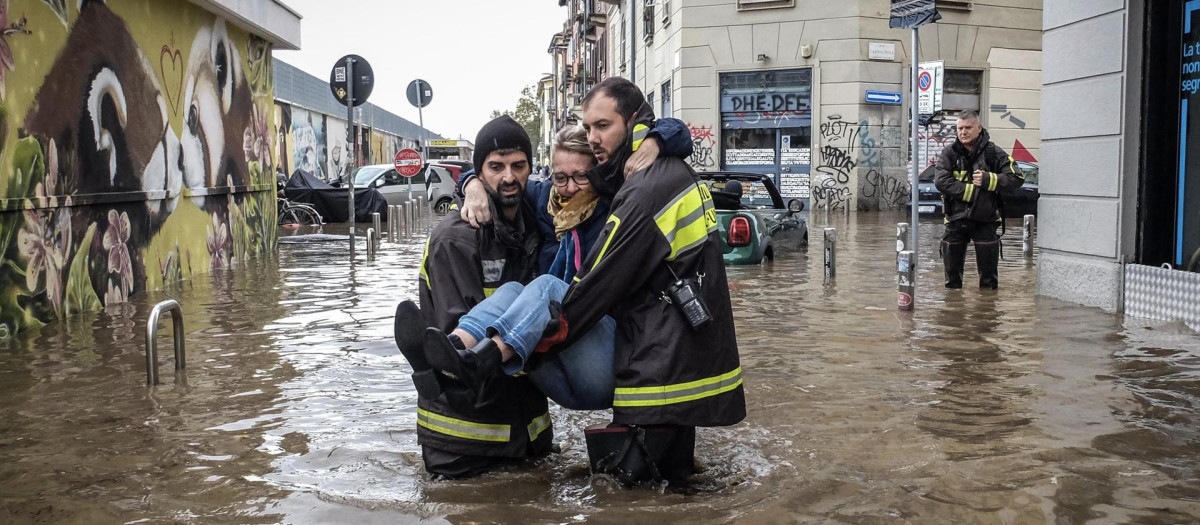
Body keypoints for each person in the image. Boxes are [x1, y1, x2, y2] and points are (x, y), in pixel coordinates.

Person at [543, 77, 745, 483]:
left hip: (657, 369)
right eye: (588, 129)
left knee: (631, 495)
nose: (593, 138)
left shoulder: (644, 188)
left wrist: (549, 333)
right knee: (677, 487)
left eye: (603, 126)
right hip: (678, 361)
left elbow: (602, 281)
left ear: (633, 124)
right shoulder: (655, 170)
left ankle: (485, 354)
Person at [393, 115, 551, 479]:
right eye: (496, 167)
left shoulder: (535, 223)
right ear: (479, 173)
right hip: (463, 440)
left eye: (518, 165)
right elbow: (446, 342)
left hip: (527, 433)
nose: (509, 177)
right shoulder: (456, 238)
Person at [933, 110, 1024, 289]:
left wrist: (988, 179)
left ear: (979, 128)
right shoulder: (949, 153)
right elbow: (940, 180)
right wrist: (971, 192)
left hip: (986, 220)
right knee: (951, 284)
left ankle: (987, 314)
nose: (963, 132)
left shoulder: (994, 153)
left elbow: (1017, 178)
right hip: (955, 221)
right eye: (960, 128)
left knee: (989, 284)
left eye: (968, 127)